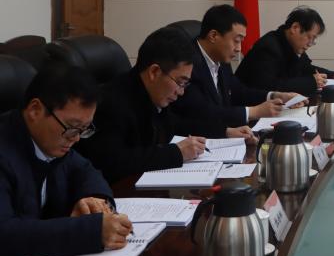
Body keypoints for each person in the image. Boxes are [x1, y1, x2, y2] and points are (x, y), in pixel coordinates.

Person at [77, 27, 253, 184]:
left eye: (186, 84)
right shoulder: (112, 103)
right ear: (154, 72)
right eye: (180, 82)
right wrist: (176, 153)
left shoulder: (151, 92)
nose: (181, 91)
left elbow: (176, 124)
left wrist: (224, 131)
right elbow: (112, 162)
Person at [0, 62, 134, 256]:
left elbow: (85, 170)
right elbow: (5, 235)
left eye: (84, 129)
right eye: (72, 127)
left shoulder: (51, 141)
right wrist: (92, 231)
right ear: (35, 110)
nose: (77, 138)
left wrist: (93, 199)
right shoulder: (6, 150)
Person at [169, 5, 304, 134]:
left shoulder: (220, 58)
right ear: (213, 36)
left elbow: (238, 91)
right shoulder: (187, 63)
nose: (239, 49)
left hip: (223, 134)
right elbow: (202, 112)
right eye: (236, 40)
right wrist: (253, 112)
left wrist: (274, 95)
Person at [236, 6, 334, 97]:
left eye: (313, 40)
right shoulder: (268, 47)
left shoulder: (291, 44)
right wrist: (311, 82)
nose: (310, 44)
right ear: (295, 28)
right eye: (309, 37)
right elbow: (269, 87)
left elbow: (306, 67)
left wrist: (333, 75)